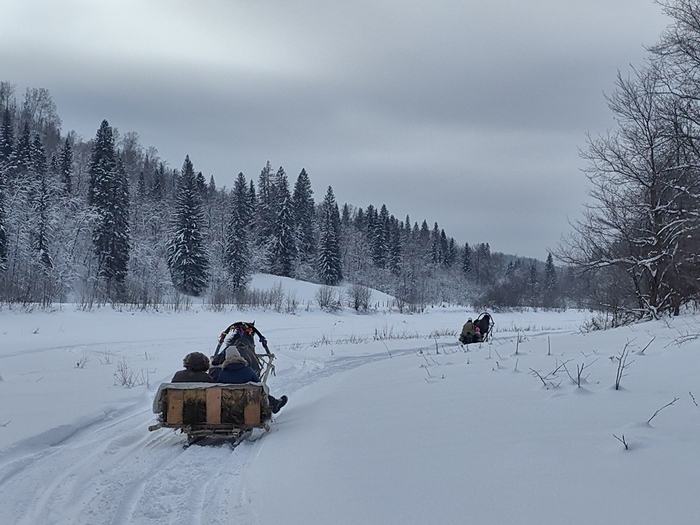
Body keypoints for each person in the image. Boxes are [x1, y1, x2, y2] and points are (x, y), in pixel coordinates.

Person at [217, 346, 288, 414]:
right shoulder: (248, 370)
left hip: (229, 407)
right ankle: (273, 404)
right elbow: (259, 385)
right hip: (248, 404)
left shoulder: (222, 374)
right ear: (239, 356)